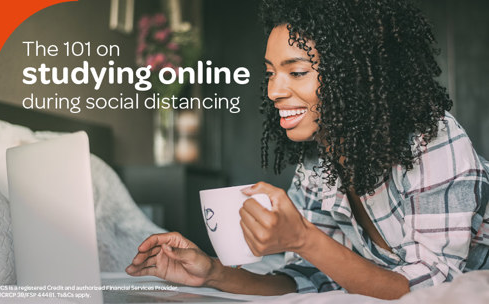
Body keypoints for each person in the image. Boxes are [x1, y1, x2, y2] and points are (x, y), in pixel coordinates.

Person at [126, 0, 489, 299]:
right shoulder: (319, 164)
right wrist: (212, 273)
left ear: (354, 75)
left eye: (296, 72)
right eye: (270, 72)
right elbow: (310, 277)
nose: (274, 92)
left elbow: (431, 290)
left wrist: (301, 235)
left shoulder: (430, 139)